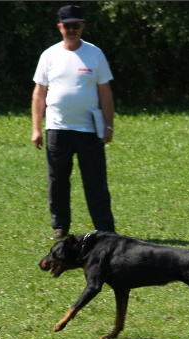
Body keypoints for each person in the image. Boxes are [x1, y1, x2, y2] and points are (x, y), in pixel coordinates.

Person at [31, 5, 115, 239]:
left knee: (95, 181)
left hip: (89, 129)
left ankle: (105, 229)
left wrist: (109, 125)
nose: (71, 30)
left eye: (76, 25)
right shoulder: (49, 55)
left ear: (82, 26)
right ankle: (60, 226)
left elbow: (105, 92)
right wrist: (36, 128)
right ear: (60, 27)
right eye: (67, 26)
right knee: (57, 180)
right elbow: (39, 92)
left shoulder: (95, 54)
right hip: (57, 129)